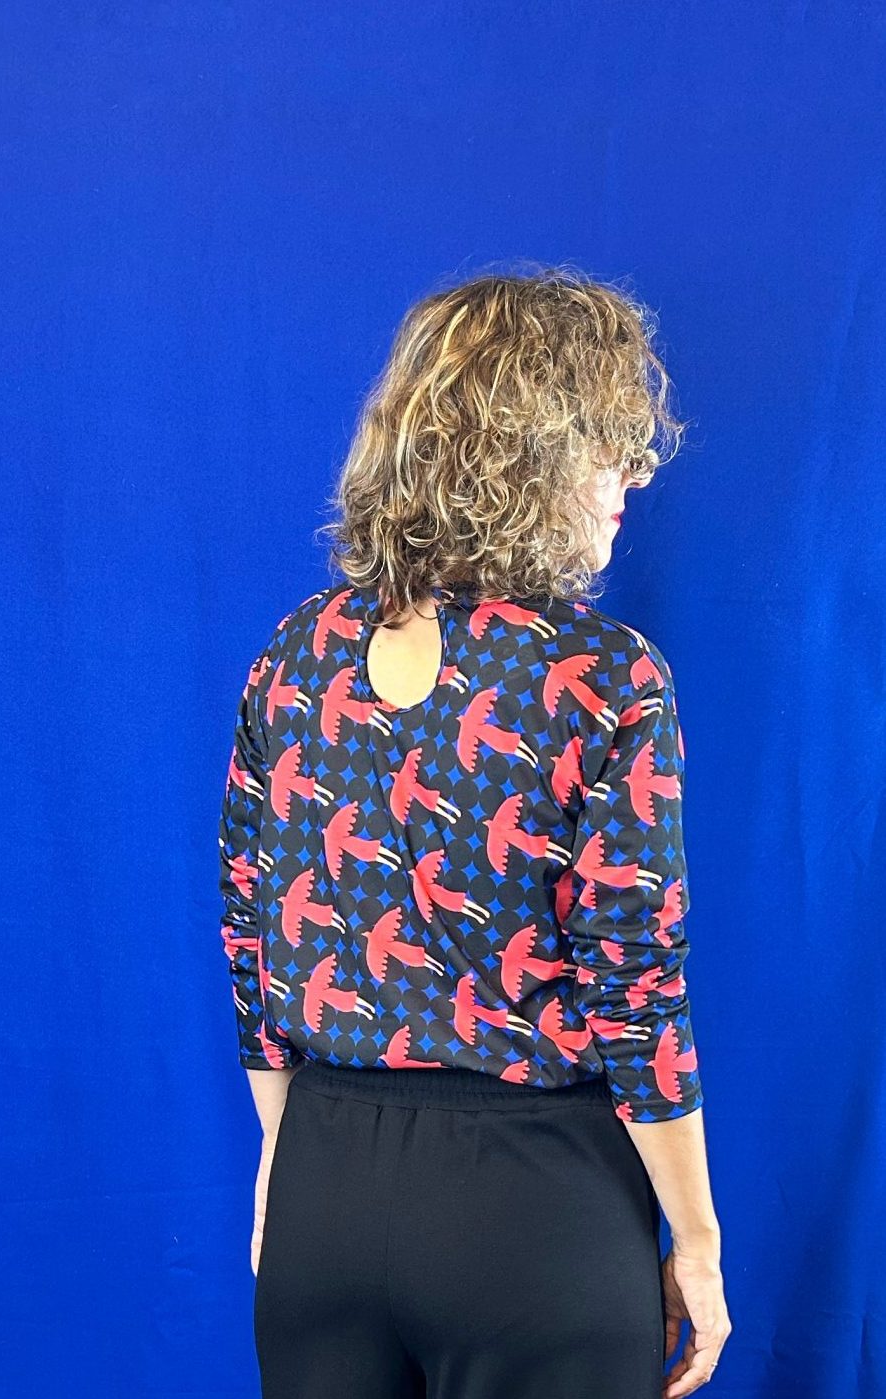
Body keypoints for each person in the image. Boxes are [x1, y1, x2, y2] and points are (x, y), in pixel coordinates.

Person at [217, 264, 732, 1399]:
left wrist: (281, 1162)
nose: (634, 474)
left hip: (323, 1193)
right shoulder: (601, 676)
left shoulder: (294, 655)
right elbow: (634, 983)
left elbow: (252, 939)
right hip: (534, 1209)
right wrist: (693, 1241)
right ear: (529, 456)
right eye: (607, 442)